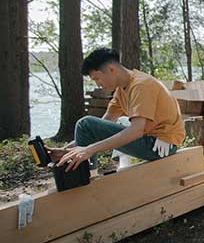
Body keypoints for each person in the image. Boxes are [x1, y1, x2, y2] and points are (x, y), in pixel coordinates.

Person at [51, 48, 185, 171]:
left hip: (160, 146)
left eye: (97, 78)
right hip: (150, 140)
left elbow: (136, 131)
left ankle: (85, 174)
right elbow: (99, 127)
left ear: (111, 69)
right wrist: (66, 150)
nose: (98, 84)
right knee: (113, 121)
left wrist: (88, 150)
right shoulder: (121, 90)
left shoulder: (141, 85)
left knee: (85, 123)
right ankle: (86, 171)